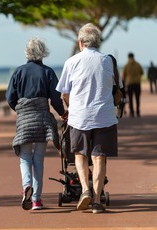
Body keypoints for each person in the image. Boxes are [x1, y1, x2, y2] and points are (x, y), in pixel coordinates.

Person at [56, 23, 118, 214]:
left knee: (80, 155)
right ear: (97, 42)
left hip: (79, 117)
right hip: (104, 116)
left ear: (80, 42)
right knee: (99, 158)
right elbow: (116, 89)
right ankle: (97, 201)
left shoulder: (71, 62)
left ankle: (84, 190)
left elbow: (64, 93)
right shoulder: (108, 61)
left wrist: (70, 106)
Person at [6, 37, 67, 211]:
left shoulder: (19, 72)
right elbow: (56, 98)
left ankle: (26, 185)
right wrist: (63, 113)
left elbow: (10, 97)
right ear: (43, 52)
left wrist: (20, 109)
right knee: (38, 159)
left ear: (27, 52)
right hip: (42, 119)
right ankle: (36, 200)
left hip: (24, 120)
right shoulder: (48, 72)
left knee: (24, 157)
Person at [122, 52, 144, 117]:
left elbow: (123, 75)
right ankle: (137, 111)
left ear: (128, 57)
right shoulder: (138, 64)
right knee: (137, 98)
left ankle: (131, 112)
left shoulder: (126, 65)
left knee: (130, 99)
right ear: (133, 56)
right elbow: (142, 72)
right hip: (137, 83)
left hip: (129, 84)